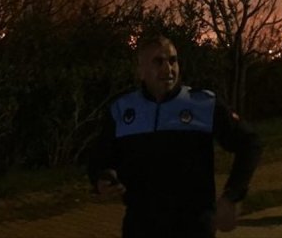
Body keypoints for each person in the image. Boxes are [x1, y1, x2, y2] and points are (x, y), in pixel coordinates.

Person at [87, 34, 263, 238]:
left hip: (193, 225)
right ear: (140, 71)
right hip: (141, 225)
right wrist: (102, 179)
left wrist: (232, 195)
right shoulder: (122, 109)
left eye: (172, 60)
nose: (168, 69)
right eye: (158, 62)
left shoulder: (202, 104)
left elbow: (250, 142)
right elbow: (100, 157)